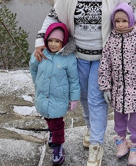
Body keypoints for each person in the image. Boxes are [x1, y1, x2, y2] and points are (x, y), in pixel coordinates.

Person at [34, 0, 136, 166]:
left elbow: (132, 14)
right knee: (84, 98)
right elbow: (52, 16)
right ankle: (90, 129)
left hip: (103, 59)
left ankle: (96, 145)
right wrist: (41, 41)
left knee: (97, 101)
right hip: (76, 56)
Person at [98, 3, 136, 166]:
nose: (121, 24)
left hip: (135, 88)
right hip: (117, 89)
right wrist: (105, 86)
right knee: (119, 118)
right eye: (117, 21)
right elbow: (105, 64)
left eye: (124, 20)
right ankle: (121, 141)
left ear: (131, 20)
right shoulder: (111, 40)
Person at [30, 22, 80, 166]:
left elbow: (74, 80)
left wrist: (73, 98)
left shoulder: (69, 58)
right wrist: (37, 82)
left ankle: (58, 147)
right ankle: (52, 133)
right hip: (43, 96)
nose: (53, 44)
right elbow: (33, 68)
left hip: (59, 98)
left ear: (62, 42)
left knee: (57, 124)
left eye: (57, 41)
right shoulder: (41, 54)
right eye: (50, 41)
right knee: (47, 117)